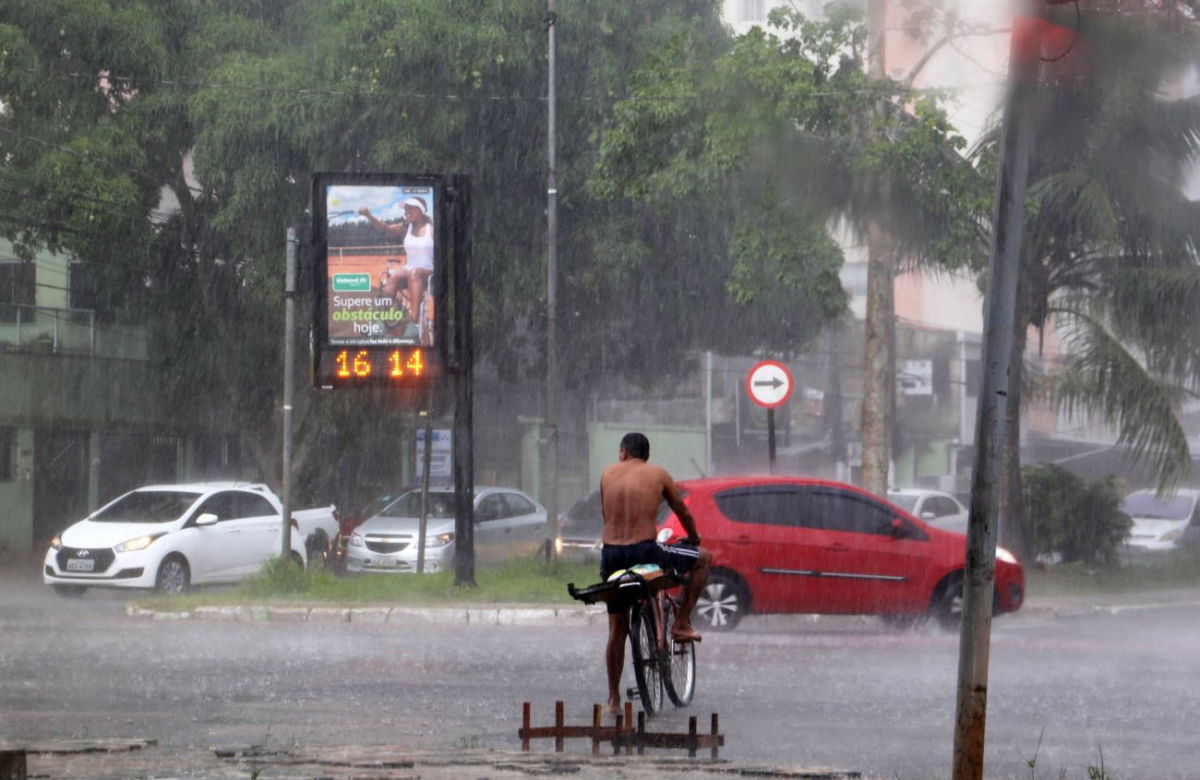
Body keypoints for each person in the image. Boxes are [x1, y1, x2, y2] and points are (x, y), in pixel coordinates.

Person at [598, 432, 711, 715]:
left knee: (617, 629)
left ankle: (612, 700)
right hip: (645, 552)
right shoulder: (657, 474)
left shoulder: (607, 474)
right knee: (704, 559)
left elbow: (606, 515)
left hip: (611, 555)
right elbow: (682, 511)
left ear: (623, 452)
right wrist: (694, 536)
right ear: (645, 456)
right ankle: (681, 622)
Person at [358, 199, 434, 324]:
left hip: (428, 273)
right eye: (405, 209)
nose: (406, 212)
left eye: (410, 208)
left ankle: (414, 322)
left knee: (414, 272)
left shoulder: (431, 229)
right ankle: (378, 321)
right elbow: (384, 227)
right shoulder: (405, 228)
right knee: (395, 276)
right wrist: (368, 215)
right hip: (410, 271)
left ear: (420, 210)